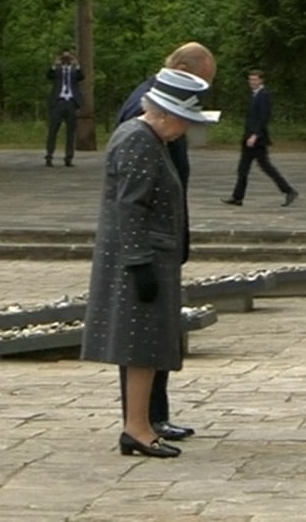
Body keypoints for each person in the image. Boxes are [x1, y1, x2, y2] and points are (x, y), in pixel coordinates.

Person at [81, 67, 217, 458]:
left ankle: (138, 426)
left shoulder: (148, 137)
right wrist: (140, 263)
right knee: (140, 345)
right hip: (140, 259)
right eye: (183, 122)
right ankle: (137, 429)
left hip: (151, 256)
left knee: (147, 346)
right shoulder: (138, 140)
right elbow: (131, 206)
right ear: (164, 114)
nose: (184, 131)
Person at [114, 41, 217, 443]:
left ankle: (152, 416)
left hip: (164, 236)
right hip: (149, 243)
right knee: (143, 333)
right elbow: (133, 195)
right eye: (202, 85)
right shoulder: (146, 113)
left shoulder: (167, 111)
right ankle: (141, 419)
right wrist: (139, 258)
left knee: (158, 330)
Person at [221, 70, 299, 206]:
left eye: (255, 80)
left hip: (257, 139)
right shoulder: (254, 95)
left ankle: (288, 190)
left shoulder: (264, 96)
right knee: (243, 169)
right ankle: (237, 197)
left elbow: (263, 118)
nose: (252, 82)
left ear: (261, 81)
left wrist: (255, 135)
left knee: (266, 167)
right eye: (250, 80)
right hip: (248, 137)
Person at [45, 49, 84, 168]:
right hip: (58, 102)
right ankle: (49, 156)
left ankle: (68, 157)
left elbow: (82, 77)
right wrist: (54, 64)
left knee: (70, 132)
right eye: (64, 58)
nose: (66, 60)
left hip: (71, 102)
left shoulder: (74, 71)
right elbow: (48, 76)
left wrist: (76, 64)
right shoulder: (57, 70)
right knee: (53, 130)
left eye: (68, 58)